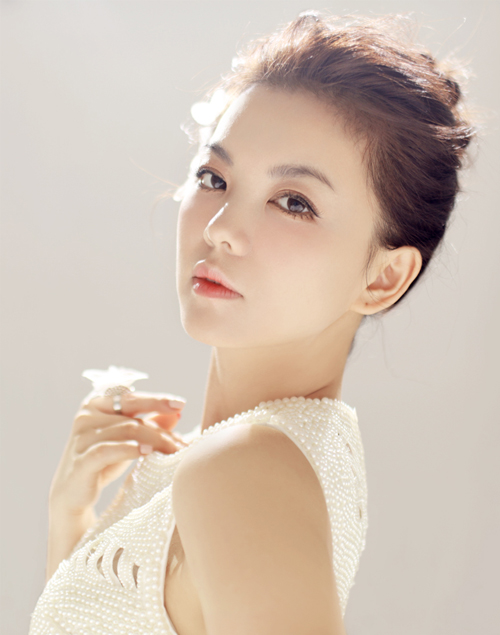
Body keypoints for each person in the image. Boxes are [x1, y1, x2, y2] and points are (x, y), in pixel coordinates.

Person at [29, 10, 476, 635]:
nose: (221, 230)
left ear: (383, 278)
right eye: (213, 178)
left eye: (294, 202)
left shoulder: (244, 469)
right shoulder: (267, 459)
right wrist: (73, 533)